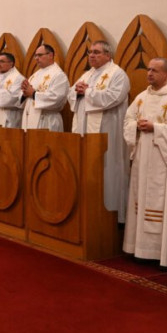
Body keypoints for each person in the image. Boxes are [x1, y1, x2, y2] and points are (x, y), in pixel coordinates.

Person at [122, 58, 167, 269]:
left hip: (165, 160)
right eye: (148, 70)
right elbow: (127, 121)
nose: (149, 74)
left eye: (155, 70)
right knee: (142, 198)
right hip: (144, 158)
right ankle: (142, 249)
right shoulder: (141, 97)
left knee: (164, 201)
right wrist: (136, 126)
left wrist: (156, 128)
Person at [68, 40, 130, 222]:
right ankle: (87, 211)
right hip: (85, 129)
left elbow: (114, 97)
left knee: (108, 168)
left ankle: (111, 215)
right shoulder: (87, 74)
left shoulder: (118, 74)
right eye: (90, 52)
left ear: (108, 55)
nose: (92, 55)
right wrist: (77, 92)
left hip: (108, 130)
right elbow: (71, 95)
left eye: (96, 52)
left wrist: (87, 92)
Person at [20, 44, 69, 132]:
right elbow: (28, 95)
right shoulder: (34, 75)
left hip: (47, 121)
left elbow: (56, 99)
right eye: (35, 55)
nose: (36, 58)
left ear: (50, 55)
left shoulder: (59, 75)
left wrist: (33, 94)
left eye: (40, 55)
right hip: (30, 118)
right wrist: (24, 94)